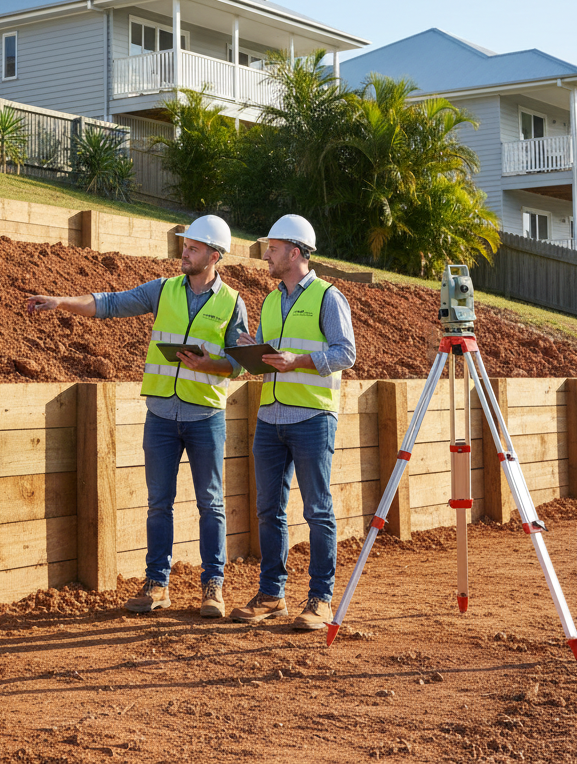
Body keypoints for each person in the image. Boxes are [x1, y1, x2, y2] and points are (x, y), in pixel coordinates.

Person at [27, 215, 248, 618]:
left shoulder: (233, 303)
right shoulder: (163, 290)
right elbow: (110, 303)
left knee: (211, 504)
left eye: (195, 247)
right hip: (161, 413)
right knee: (158, 504)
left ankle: (212, 587)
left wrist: (208, 365)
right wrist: (62, 302)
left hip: (205, 416)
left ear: (215, 256)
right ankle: (157, 585)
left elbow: (239, 363)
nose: (185, 251)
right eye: (186, 245)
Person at [229, 214, 356, 631]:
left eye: (274, 246)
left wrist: (297, 361)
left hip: (312, 417)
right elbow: (270, 358)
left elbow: (345, 353)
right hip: (270, 417)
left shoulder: (327, 297)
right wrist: (253, 350)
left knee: (318, 511)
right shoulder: (269, 300)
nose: (267, 253)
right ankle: (272, 595)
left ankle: (320, 599)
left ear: (295, 252)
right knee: (269, 510)